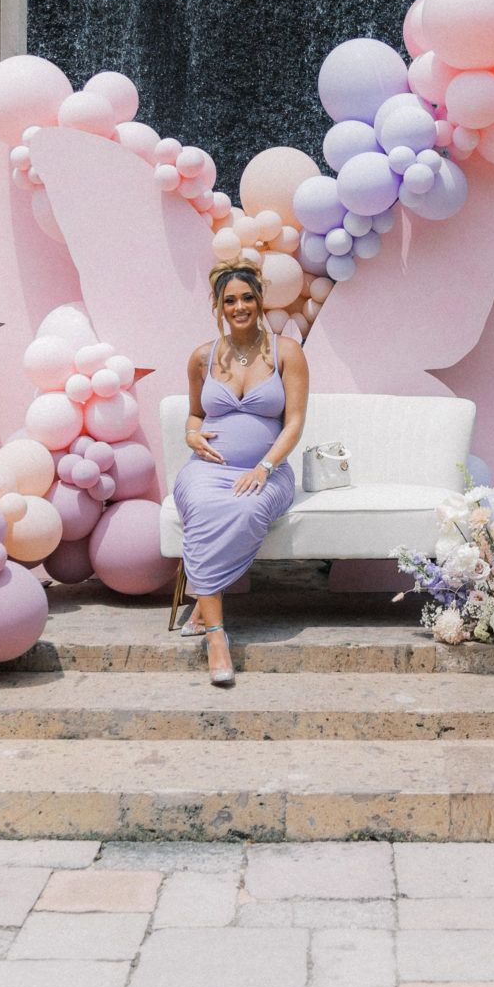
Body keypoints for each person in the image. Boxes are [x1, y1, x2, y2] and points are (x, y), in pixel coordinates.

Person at [171, 263, 308, 686]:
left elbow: (295, 423)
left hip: (267, 471)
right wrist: (191, 436)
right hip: (206, 471)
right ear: (218, 306)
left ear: (259, 300)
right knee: (205, 504)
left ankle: (202, 602)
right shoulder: (202, 356)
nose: (239, 306)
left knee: (246, 509)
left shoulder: (286, 351)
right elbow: (195, 415)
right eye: (229, 300)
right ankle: (216, 636)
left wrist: (264, 467)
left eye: (247, 297)